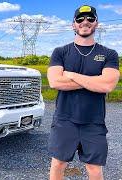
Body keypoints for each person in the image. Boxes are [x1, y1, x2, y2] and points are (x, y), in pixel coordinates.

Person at [47, 5, 120, 180]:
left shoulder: (109, 54)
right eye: (79, 19)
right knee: (58, 165)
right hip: (64, 120)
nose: (85, 22)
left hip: (94, 122)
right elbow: (54, 81)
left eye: (90, 18)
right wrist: (94, 80)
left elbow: (107, 86)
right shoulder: (60, 52)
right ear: (73, 25)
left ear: (96, 23)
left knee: (94, 169)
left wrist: (71, 75)